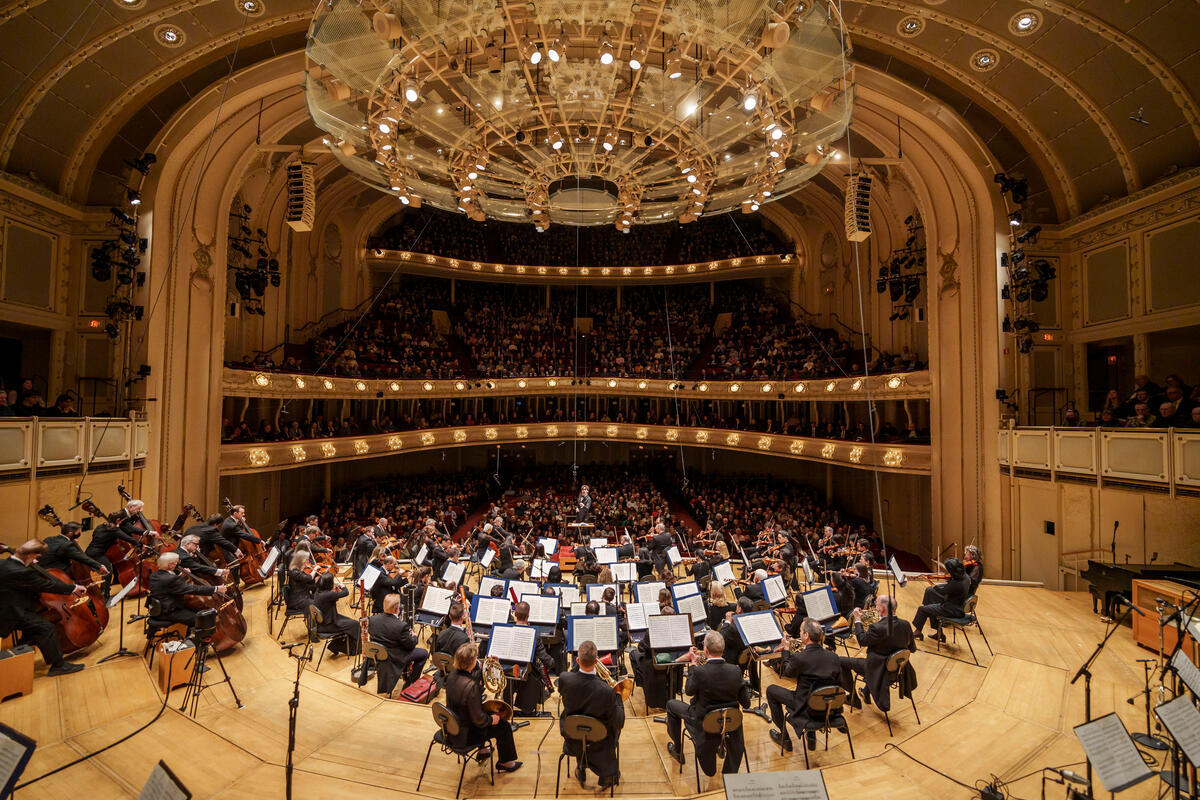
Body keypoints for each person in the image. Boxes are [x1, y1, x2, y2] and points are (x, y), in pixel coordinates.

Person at [665, 631, 751, 775]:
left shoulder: (700, 672)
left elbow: (689, 691)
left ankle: (678, 749)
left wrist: (693, 665)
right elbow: (746, 704)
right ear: (723, 649)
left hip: (704, 721)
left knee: (671, 705)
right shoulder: (735, 671)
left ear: (705, 650)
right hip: (730, 723)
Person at [0, 540, 89, 675]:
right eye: (36, 556)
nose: (37, 560)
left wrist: (28, 564)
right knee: (46, 628)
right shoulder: (22, 572)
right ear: (30, 555)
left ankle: (20, 659)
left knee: (33, 631)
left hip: (10, 606)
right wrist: (73, 587)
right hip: (12, 612)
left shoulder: (4, 564)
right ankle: (58, 665)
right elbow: (47, 585)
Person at [444, 642, 522, 772]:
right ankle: (506, 762)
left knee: (478, 710)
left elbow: (471, 678)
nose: (477, 660)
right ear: (471, 662)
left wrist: (487, 665)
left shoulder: (452, 675)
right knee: (503, 726)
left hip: (451, 729)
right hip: (465, 736)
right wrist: (493, 720)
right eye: (475, 658)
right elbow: (479, 721)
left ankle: (483, 750)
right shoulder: (471, 687)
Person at [766, 618, 841, 752]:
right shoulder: (833, 657)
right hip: (828, 705)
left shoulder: (800, 658)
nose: (799, 634)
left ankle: (785, 739)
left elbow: (785, 672)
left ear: (806, 635)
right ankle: (811, 737)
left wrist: (786, 650)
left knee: (771, 690)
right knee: (814, 689)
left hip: (805, 705)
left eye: (801, 631)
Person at [558, 640, 623, 788]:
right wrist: (618, 696)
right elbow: (620, 721)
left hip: (572, 739)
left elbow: (573, 677)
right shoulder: (607, 691)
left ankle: (581, 765)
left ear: (577, 660)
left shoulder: (564, 679)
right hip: (599, 743)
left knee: (576, 720)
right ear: (596, 661)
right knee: (614, 722)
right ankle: (606, 774)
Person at [839, 595, 917, 710]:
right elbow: (912, 649)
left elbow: (862, 641)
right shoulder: (906, 624)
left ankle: (853, 699)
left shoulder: (877, 628)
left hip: (878, 670)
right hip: (898, 670)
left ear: (883, 609)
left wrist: (858, 621)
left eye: (877, 604)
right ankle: (866, 692)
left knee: (840, 661)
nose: (875, 606)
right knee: (878, 657)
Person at [148, 552, 228, 630]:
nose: (178, 564)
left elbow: (169, 586)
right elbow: (192, 589)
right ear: (170, 565)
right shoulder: (170, 578)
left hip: (156, 608)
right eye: (177, 562)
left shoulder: (154, 575)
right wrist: (216, 588)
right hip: (168, 612)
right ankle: (192, 642)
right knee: (202, 619)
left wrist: (180, 576)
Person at [367, 593, 428, 695]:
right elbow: (410, 645)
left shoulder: (372, 620)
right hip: (395, 657)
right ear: (396, 609)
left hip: (379, 654)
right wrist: (414, 636)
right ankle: (410, 683)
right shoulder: (401, 626)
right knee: (424, 654)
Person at [510, 601, 555, 716]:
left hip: (509, 670)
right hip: (527, 674)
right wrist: (552, 663)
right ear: (528, 615)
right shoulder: (534, 634)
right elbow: (544, 657)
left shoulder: (508, 629)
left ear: (515, 614)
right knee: (535, 670)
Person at [912, 558, 970, 641]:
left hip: (950, 610)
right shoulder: (966, 576)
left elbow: (941, 591)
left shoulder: (955, 584)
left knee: (922, 609)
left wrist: (928, 580)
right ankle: (940, 633)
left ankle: (918, 632)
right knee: (931, 604)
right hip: (958, 606)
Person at [84, 515, 141, 597]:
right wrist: (140, 544)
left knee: (99, 574)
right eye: (121, 521)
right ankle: (105, 595)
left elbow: (96, 537)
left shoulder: (100, 526)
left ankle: (102, 593)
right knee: (108, 573)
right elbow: (128, 538)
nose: (121, 523)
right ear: (117, 520)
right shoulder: (114, 530)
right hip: (98, 554)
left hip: (89, 551)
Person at [313, 572, 360, 656]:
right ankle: (354, 650)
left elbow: (333, 598)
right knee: (355, 624)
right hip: (328, 625)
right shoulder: (328, 594)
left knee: (351, 622)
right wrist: (343, 586)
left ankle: (334, 645)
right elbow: (345, 593)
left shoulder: (318, 592)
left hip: (326, 620)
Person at [40, 522, 109, 579]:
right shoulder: (67, 545)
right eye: (78, 532)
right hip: (56, 573)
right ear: (70, 533)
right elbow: (82, 558)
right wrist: (99, 566)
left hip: (41, 570)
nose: (79, 534)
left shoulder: (49, 539)